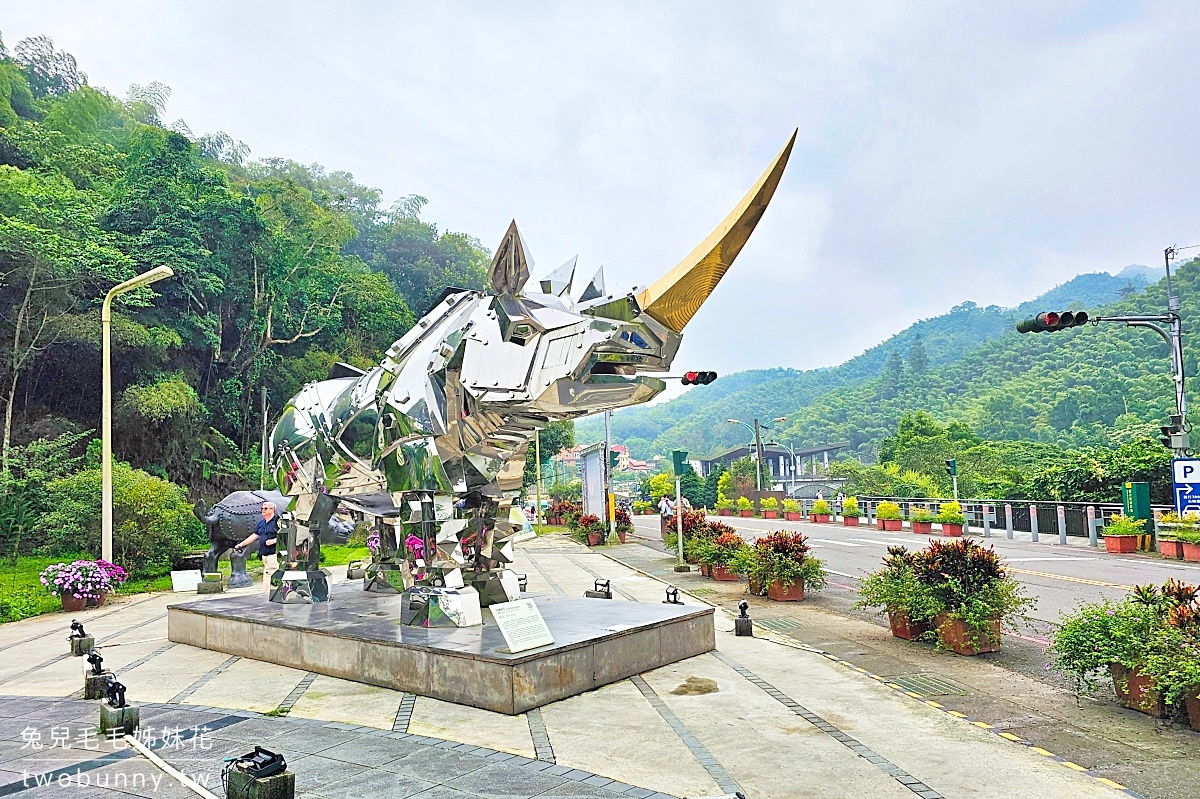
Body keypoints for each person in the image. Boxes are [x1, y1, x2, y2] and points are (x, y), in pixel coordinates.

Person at [236, 502, 278, 593]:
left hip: (274, 554)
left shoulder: (278, 522)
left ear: (272, 509)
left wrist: (274, 541)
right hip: (264, 554)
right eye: (262, 508)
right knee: (270, 573)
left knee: (268, 573)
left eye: (265, 508)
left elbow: (286, 536)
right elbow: (255, 535)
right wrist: (241, 544)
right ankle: (271, 592)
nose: (263, 510)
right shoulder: (261, 523)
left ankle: (264, 593)